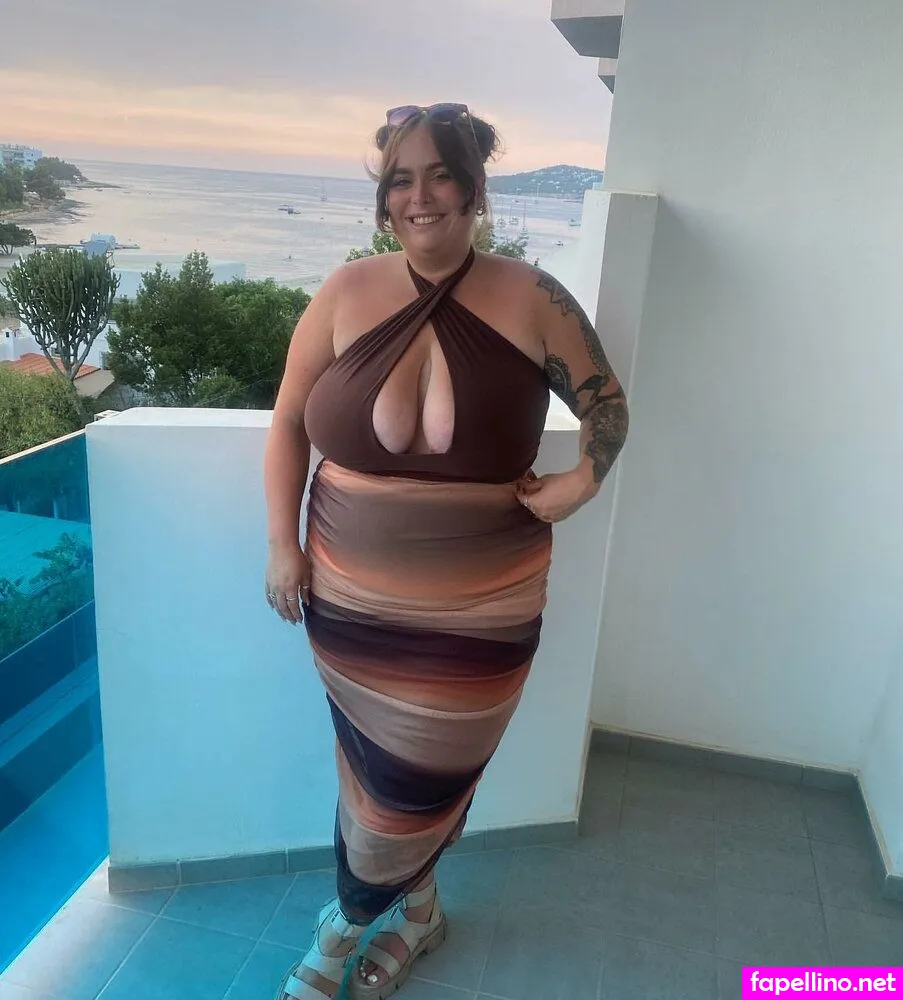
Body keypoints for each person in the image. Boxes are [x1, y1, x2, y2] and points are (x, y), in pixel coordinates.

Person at [263, 103, 628, 1000]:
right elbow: (287, 422)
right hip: (346, 597)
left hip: (483, 605)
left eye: (439, 175)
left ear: (472, 189)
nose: (419, 196)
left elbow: (606, 406)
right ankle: (420, 915)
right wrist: (281, 543)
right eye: (400, 179)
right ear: (383, 196)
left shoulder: (532, 297)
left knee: (421, 780)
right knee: (373, 774)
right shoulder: (344, 292)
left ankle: (341, 927)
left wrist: (583, 480)